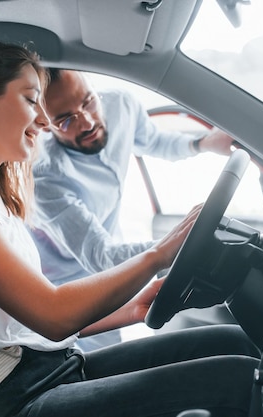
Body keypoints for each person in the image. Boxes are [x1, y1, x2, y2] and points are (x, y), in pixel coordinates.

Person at [0, 38, 259, 417]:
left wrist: (134, 307)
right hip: (14, 396)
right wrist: (158, 254)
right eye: (32, 101)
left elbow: (24, 322)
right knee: (237, 379)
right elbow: (52, 315)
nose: (45, 121)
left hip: (50, 367)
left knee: (233, 342)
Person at [31, 69, 238, 350]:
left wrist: (202, 143)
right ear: (46, 125)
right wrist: (178, 245)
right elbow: (102, 257)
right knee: (92, 366)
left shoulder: (121, 104)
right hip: (67, 288)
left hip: (108, 262)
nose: (87, 122)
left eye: (88, 101)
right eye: (66, 119)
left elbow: (153, 141)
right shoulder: (45, 178)